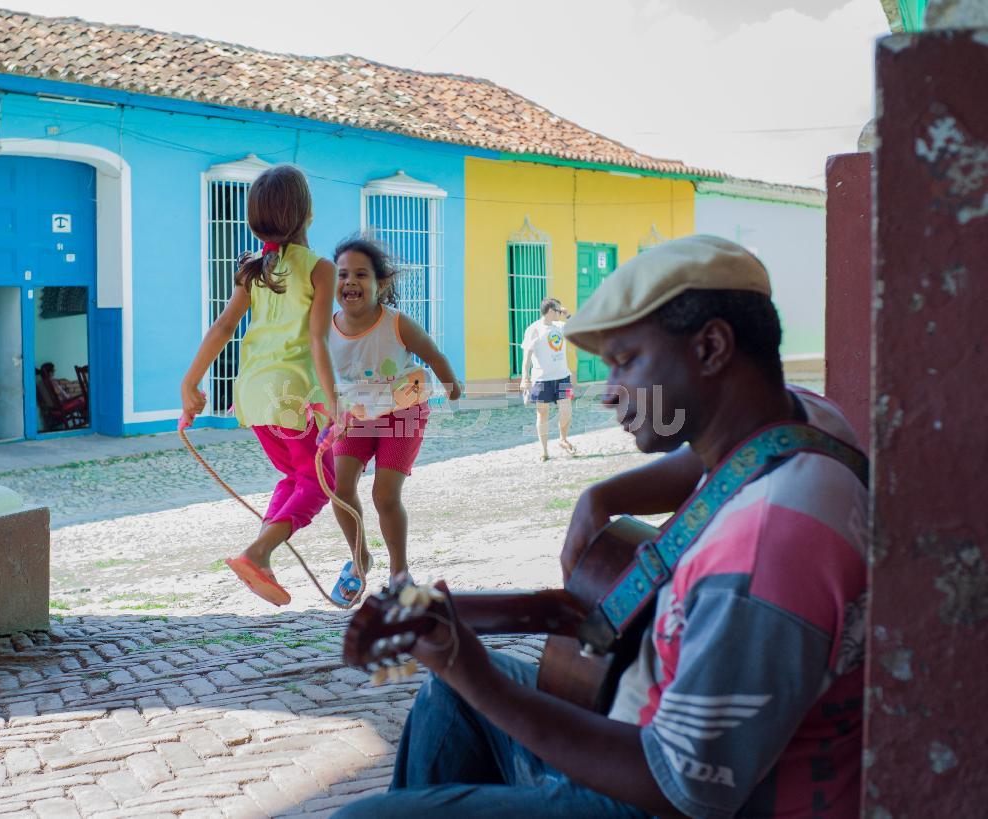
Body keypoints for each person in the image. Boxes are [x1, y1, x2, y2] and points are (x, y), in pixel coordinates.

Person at [333, 235, 868, 818]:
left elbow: (681, 788)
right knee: (446, 699)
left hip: (663, 793)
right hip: (638, 723)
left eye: (626, 361)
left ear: (711, 347)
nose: (611, 394)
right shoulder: (809, 425)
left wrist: (473, 670)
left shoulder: (766, 543)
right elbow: (709, 452)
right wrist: (602, 495)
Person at [180, 164, 338, 608]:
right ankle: (258, 551)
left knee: (295, 476)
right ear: (307, 214)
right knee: (322, 478)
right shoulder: (320, 269)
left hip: (250, 392)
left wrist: (190, 381)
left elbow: (224, 325)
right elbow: (317, 341)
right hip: (290, 393)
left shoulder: (254, 268)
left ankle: (260, 559)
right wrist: (336, 404)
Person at [327, 236, 462, 605]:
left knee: (384, 495)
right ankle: (360, 558)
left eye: (361, 274)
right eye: (342, 274)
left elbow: (432, 354)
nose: (350, 282)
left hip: (404, 410)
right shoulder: (325, 328)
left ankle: (399, 572)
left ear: (381, 283)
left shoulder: (397, 324)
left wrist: (452, 386)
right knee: (339, 489)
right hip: (356, 416)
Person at [520, 297, 577, 461]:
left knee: (566, 411)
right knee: (542, 414)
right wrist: (525, 378)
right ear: (551, 311)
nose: (561, 312)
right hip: (542, 379)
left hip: (563, 377)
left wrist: (568, 315)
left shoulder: (560, 326)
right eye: (559, 310)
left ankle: (563, 439)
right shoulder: (534, 329)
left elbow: (579, 330)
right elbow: (527, 356)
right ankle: (544, 450)